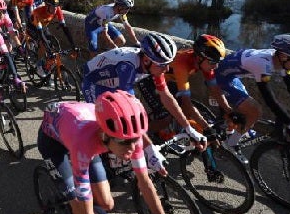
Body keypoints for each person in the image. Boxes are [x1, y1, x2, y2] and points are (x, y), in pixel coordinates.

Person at [38, 90, 196, 214]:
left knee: (106, 203)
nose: (132, 149)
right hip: (54, 142)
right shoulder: (84, 143)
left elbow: (145, 184)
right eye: (124, 143)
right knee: (81, 210)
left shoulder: (129, 137)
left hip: (83, 125)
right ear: (105, 136)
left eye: (135, 141)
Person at [81, 32, 207, 172]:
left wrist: (189, 129)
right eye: (163, 65)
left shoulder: (154, 64)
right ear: (146, 60)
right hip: (95, 83)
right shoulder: (127, 66)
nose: (166, 69)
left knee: (130, 120)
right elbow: (129, 114)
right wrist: (149, 148)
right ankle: (94, 158)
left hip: (117, 82)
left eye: (168, 64)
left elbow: (166, 97)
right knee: (105, 123)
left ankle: (117, 151)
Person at [215, 33, 290, 160]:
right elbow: (270, 100)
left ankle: (233, 128)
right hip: (220, 78)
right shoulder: (262, 64)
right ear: (284, 56)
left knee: (247, 113)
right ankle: (229, 146)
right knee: (255, 111)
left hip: (233, 75)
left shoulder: (280, 62)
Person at [139, 34, 233, 140]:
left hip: (170, 81)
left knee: (183, 111)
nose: (215, 67)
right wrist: (206, 128)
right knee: (165, 119)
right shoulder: (182, 65)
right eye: (212, 63)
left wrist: (229, 111)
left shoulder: (204, 63)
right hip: (151, 80)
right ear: (199, 57)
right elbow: (187, 103)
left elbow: (214, 89)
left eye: (217, 63)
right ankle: (139, 139)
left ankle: (177, 132)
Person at [26, 0, 76, 78]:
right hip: (33, 27)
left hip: (43, 26)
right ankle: (38, 66)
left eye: (56, 6)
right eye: (53, 6)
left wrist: (73, 44)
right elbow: (41, 34)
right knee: (43, 43)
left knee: (52, 43)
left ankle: (48, 64)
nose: (55, 9)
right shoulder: (38, 12)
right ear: (47, 6)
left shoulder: (57, 9)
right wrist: (48, 50)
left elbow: (65, 28)